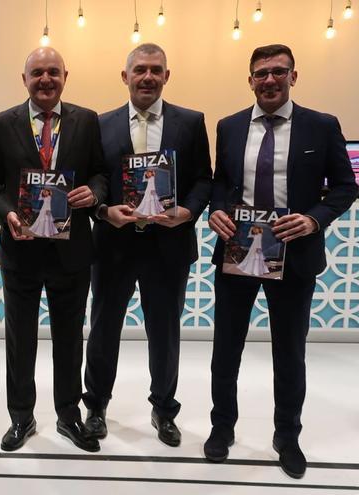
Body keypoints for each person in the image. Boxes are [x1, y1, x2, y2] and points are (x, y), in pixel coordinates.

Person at [205, 44, 358, 479]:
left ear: (294, 75)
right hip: (238, 248)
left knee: (289, 351)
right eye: (261, 73)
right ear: (249, 80)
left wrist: (314, 220)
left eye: (278, 71)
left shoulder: (322, 126)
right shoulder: (230, 126)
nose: (269, 80)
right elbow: (221, 183)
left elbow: (346, 187)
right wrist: (217, 208)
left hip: (296, 254)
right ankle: (222, 427)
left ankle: (287, 436)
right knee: (226, 348)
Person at [83, 43, 212, 448]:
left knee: (165, 331)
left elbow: (204, 180)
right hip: (113, 245)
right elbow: (94, 179)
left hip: (168, 246)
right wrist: (104, 210)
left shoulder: (190, 123)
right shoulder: (98, 124)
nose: (148, 77)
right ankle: (96, 406)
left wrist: (187, 213)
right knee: (103, 329)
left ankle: (163, 409)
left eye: (156, 70)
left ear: (167, 76)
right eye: (140, 69)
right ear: (125, 76)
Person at [0, 46, 107, 453]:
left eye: (53, 71)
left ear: (65, 76)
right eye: (37, 73)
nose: (46, 79)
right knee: (20, 338)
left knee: (70, 337)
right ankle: (21, 416)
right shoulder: (2, 124)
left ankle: (69, 416)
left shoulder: (87, 121)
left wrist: (95, 192)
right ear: (24, 80)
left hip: (72, 251)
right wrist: (7, 215)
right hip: (21, 250)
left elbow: (101, 172)